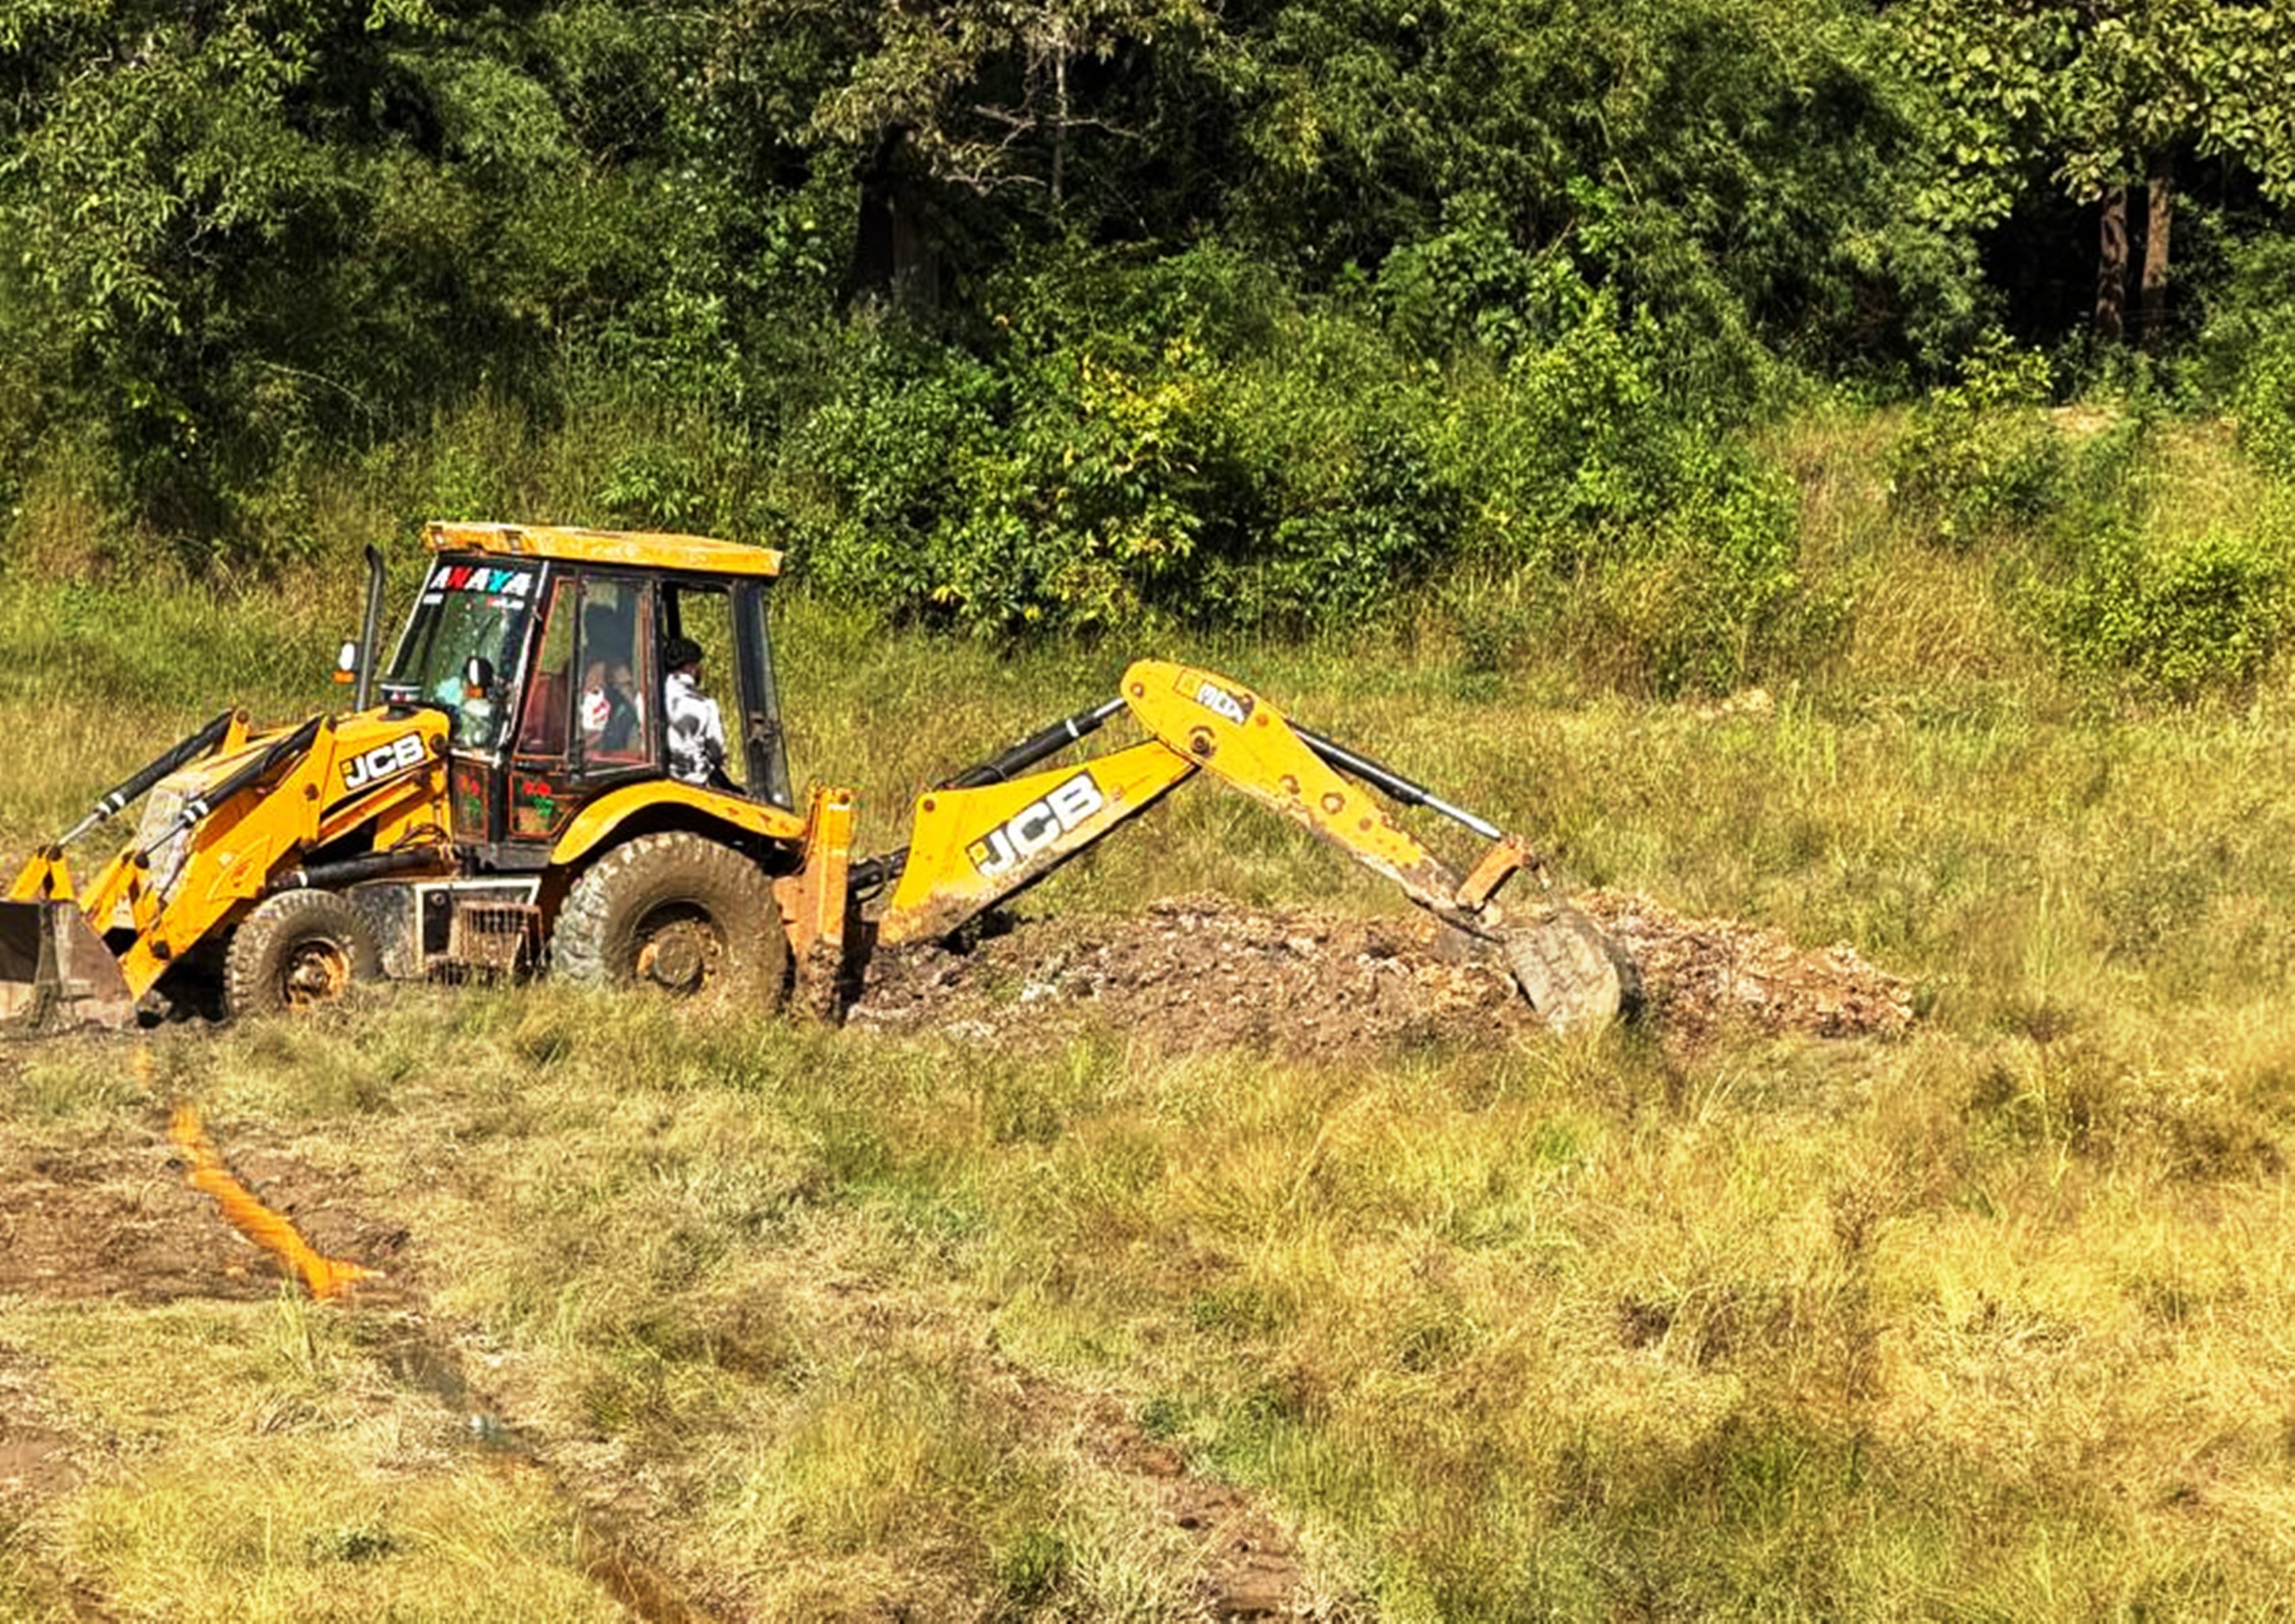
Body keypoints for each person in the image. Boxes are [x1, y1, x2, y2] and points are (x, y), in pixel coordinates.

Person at [663, 635, 727, 786]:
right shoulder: (705, 705)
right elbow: (717, 753)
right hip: (696, 783)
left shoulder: (646, 699)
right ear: (690, 667)